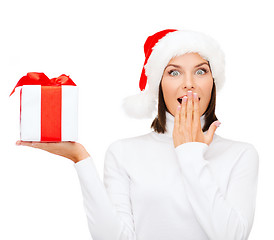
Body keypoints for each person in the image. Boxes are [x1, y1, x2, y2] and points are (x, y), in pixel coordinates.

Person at [16, 29, 260, 240]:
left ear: (213, 81)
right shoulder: (123, 152)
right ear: (158, 86)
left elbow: (232, 236)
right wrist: (80, 158)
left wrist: (191, 153)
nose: (189, 83)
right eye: (174, 72)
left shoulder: (240, 154)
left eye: (201, 71)